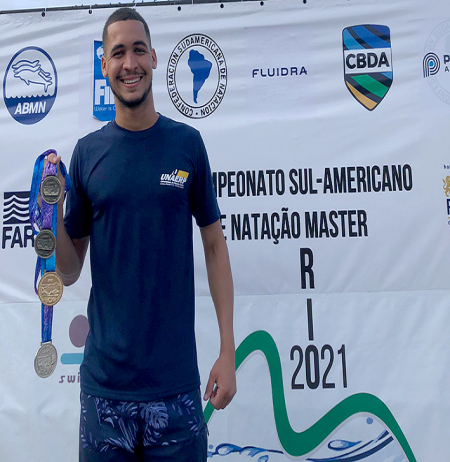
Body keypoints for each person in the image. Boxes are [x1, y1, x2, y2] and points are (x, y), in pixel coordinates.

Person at [48, 7, 236, 461]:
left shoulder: (187, 144)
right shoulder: (87, 153)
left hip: (175, 389)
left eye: (137, 50)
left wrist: (227, 351)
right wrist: (53, 212)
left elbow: (214, 245)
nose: (128, 63)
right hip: (104, 392)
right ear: (104, 66)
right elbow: (69, 272)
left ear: (153, 58)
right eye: (117, 53)